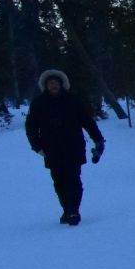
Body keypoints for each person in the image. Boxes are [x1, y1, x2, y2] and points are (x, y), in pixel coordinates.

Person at [25, 69, 104, 226]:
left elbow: (87, 121)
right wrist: (37, 146)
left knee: (73, 179)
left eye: (56, 83)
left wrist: (98, 139)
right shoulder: (39, 103)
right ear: (45, 85)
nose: (53, 85)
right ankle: (67, 209)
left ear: (62, 84)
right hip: (51, 149)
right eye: (50, 83)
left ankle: (73, 210)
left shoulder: (73, 100)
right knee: (59, 181)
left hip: (73, 146)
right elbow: (31, 127)